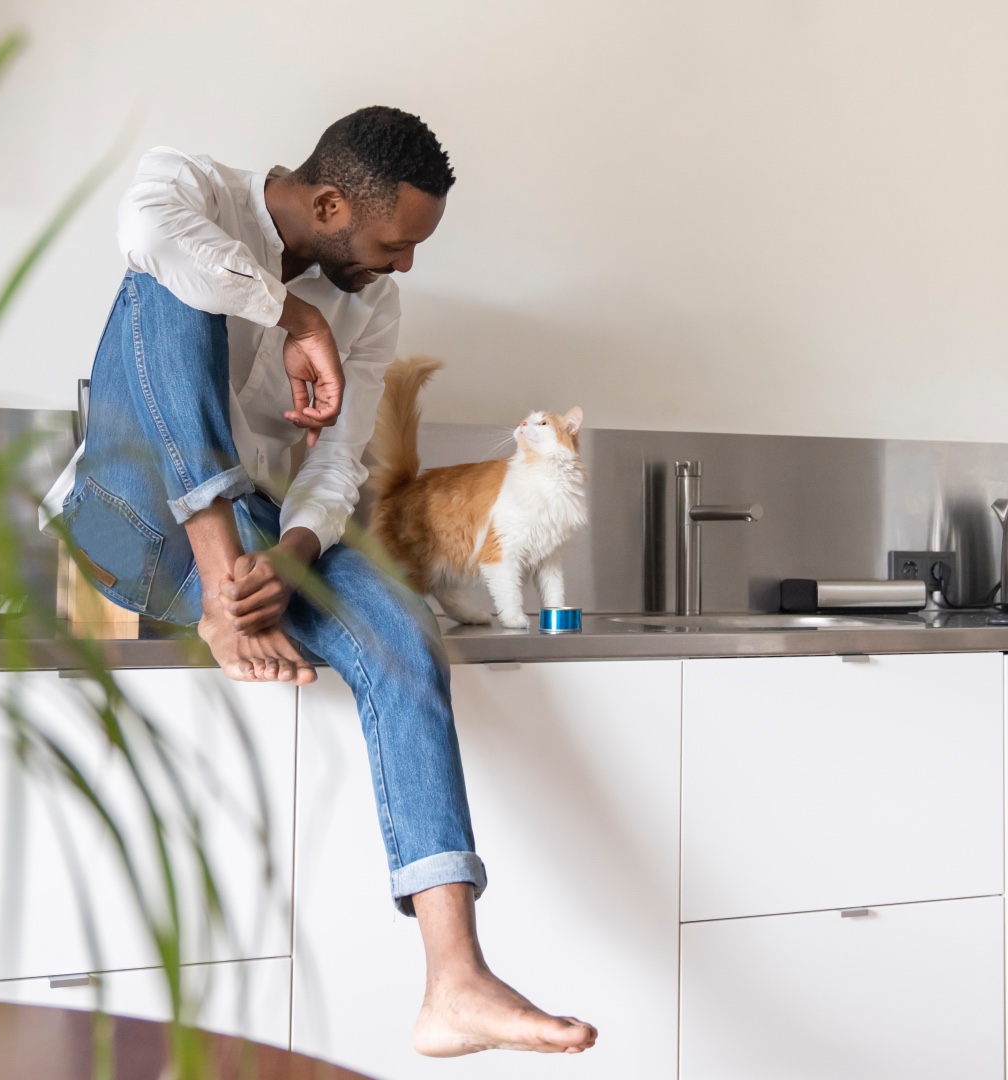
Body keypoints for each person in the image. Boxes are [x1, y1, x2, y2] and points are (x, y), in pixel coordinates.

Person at [41, 106, 596, 1058]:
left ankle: (454, 978)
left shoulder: (371, 302)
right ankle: (224, 598)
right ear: (330, 203)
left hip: (262, 538)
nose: (404, 266)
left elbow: (337, 464)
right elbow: (149, 235)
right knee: (171, 287)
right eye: (395, 243)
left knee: (400, 634)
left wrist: (295, 552)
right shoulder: (192, 186)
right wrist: (288, 310)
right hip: (128, 518)